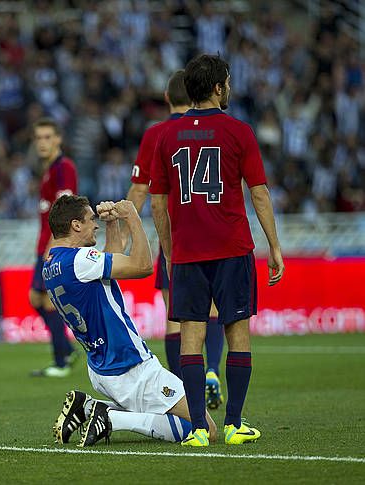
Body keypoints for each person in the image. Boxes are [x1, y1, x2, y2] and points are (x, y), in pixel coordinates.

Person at [150, 54, 285, 446]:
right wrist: (274, 246)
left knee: (190, 337)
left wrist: (171, 253)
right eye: (226, 81)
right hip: (232, 248)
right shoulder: (238, 131)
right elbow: (258, 193)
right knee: (236, 332)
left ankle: (197, 430)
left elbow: (158, 203)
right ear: (217, 88)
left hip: (189, 253)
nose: (228, 86)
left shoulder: (166, 136)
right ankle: (233, 423)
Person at [45, 195, 217, 447]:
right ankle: (111, 418)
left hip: (101, 368)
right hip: (130, 366)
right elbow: (143, 266)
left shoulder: (52, 264)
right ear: (75, 225)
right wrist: (132, 216)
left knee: (172, 417)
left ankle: (90, 407)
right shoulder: (79, 260)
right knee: (204, 428)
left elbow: (110, 266)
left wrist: (112, 224)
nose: (95, 225)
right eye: (91, 220)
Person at [128, 69, 225, 409]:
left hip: (177, 239)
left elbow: (141, 190)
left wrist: (124, 229)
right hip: (216, 235)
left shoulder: (158, 134)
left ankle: (184, 389)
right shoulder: (215, 129)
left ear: (167, 98)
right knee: (212, 309)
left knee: (176, 314)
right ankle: (212, 369)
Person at [29, 118, 80, 377]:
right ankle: (67, 350)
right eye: (38, 137)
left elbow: (65, 210)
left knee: (47, 300)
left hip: (52, 247)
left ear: (58, 139)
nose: (42, 142)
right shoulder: (49, 169)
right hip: (44, 245)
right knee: (36, 298)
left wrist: (53, 249)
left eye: (48, 137)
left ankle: (61, 361)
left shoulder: (63, 168)